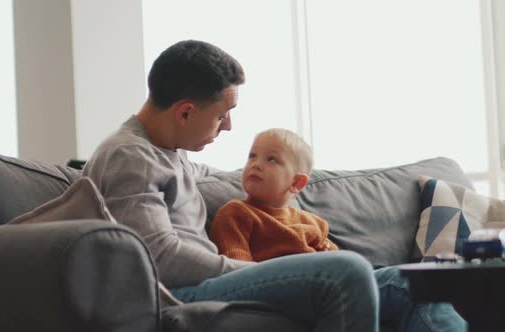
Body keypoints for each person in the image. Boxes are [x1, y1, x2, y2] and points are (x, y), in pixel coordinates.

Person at [82, 39, 466, 332]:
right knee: (345, 270)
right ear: (184, 112)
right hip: (175, 294)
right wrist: (241, 268)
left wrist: (276, 178)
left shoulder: (170, 150)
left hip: (205, 281)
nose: (228, 126)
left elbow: (212, 176)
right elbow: (157, 256)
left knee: (413, 282)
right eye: (222, 115)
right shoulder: (129, 156)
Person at [209, 128, 339, 262]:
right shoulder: (235, 213)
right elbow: (238, 269)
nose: (256, 164)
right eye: (252, 156)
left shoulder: (314, 223)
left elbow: (338, 263)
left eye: (271, 159)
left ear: (297, 182)